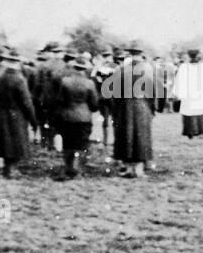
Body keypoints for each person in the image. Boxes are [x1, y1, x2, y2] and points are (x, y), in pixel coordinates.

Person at [107, 44, 155, 177]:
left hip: (125, 106)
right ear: (141, 53)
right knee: (141, 136)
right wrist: (151, 107)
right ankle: (139, 168)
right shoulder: (148, 69)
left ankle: (128, 167)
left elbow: (113, 91)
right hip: (142, 105)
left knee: (126, 136)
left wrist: (117, 107)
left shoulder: (121, 69)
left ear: (129, 54)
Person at [0, 49, 36, 178]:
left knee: (5, 142)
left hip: (2, 113)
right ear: (18, 63)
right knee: (16, 142)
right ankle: (11, 169)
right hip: (17, 114)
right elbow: (26, 102)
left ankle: (7, 168)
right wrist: (33, 119)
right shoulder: (19, 79)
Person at [54, 56, 99, 179]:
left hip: (67, 116)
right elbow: (94, 104)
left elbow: (60, 100)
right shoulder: (89, 83)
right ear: (85, 69)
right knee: (82, 144)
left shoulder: (65, 82)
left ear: (74, 68)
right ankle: (78, 169)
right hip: (84, 117)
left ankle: (69, 168)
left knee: (68, 143)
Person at [171, 49, 203, 138]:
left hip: (191, 96)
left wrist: (177, 94)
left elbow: (178, 82)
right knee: (202, 113)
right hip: (199, 96)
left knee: (191, 113)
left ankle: (192, 133)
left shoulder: (184, 67)